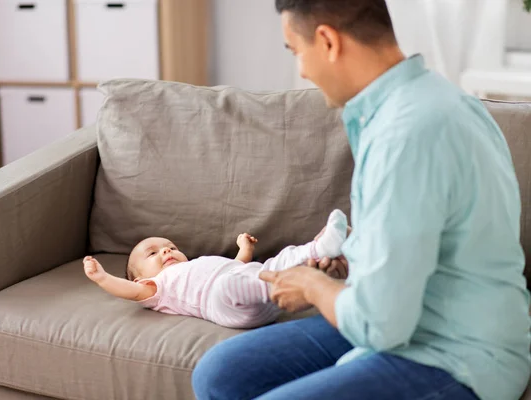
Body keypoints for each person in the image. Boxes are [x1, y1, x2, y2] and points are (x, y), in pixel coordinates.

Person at [191, 1, 531, 399]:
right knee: (220, 374)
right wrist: (359, 259)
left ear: (327, 41)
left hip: (456, 350)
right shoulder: (423, 102)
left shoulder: (405, 135)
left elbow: (381, 324)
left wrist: (315, 288)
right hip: (415, 316)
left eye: (295, 50)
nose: (301, 70)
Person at [83, 210, 347, 329]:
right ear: (142, 277)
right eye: (153, 253)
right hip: (225, 305)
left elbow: (237, 265)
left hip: (257, 292)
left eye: (170, 247)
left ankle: (318, 251)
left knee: (276, 262)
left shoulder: (199, 264)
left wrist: (244, 247)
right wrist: (102, 278)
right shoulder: (157, 286)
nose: (166, 251)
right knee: (233, 283)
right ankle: (302, 276)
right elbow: (128, 290)